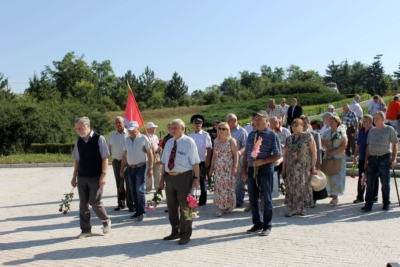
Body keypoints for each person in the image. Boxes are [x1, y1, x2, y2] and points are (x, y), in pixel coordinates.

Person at [159, 119, 200, 245]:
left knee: (186, 207)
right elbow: (165, 162)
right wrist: (162, 179)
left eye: (175, 128)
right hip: (170, 178)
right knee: (171, 207)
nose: (172, 130)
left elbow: (195, 162)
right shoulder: (169, 142)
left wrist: (196, 179)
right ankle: (175, 231)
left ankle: (185, 234)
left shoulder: (189, 142)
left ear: (183, 129)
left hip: (184, 177)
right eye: (171, 128)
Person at [242, 110, 282, 236]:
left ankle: (267, 225)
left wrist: (263, 161)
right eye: (255, 119)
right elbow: (246, 153)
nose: (256, 122)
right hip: (251, 169)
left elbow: (277, 155)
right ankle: (257, 223)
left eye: (259, 119)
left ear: (266, 121)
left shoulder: (272, 135)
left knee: (267, 199)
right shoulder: (251, 135)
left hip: (265, 170)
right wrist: (244, 170)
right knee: (253, 198)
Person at [71, 116, 111, 239]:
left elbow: (105, 157)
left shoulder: (99, 139)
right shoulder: (79, 141)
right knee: (83, 204)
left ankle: (106, 221)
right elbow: (77, 160)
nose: (78, 130)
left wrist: (103, 175)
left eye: (80, 128)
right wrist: (74, 176)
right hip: (82, 176)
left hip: (95, 176)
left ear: (87, 125)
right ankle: (86, 229)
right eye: (76, 129)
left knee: (95, 201)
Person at [362, 111, 398, 212]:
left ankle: (386, 203)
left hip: (384, 158)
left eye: (377, 118)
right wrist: (366, 160)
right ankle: (368, 204)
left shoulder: (389, 129)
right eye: (374, 118)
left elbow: (395, 144)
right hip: (372, 159)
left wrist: (394, 158)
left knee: (385, 183)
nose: (375, 120)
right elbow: (368, 146)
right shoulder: (371, 131)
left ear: (383, 119)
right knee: (369, 182)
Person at [281, 118, 317, 216]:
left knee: (302, 186)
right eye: (293, 125)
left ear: (302, 126)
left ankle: (302, 208)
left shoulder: (308, 136)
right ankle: (292, 208)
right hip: (291, 167)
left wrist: (313, 166)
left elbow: (314, 152)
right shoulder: (289, 138)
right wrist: (283, 169)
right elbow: (285, 155)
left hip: (303, 166)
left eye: (296, 125)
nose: (294, 127)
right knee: (291, 187)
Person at [120, 121, 153, 221]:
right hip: (130, 168)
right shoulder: (127, 140)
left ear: (138, 129)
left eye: (133, 131)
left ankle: (142, 212)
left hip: (141, 167)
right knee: (133, 191)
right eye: (129, 131)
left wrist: (150, 168)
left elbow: (150, 153)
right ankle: (138, 211)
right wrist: (121, 169)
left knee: (139, 189)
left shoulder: (143, 138)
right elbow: (125, 155)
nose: (131, 132)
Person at [209, 122, 238, 216]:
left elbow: (236, 155)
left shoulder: (231, 140)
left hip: (228, 168)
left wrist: (235, 167)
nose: (221, 131)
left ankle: (226, 206)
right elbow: (214, 156)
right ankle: (220, 207)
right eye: (219, 128)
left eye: (223, 129)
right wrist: (211, 168)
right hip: (218, 168)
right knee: (219, 188)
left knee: (227, 187)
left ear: (227, 130)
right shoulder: (216, 141)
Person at [108, 116, 134, 212]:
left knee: (129, 183)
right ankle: (121, 203)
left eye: (119, 122)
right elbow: (108, 150)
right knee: (119, 183)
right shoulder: (112, 135)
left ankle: (131, 204)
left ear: (124, 123)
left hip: (129, 162)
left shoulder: (129, 134)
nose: (118, 124)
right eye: (116, 123)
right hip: (116, 162)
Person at [321, 116, 348, 206]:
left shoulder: (341, 132)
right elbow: (321, 143)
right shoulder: (326, 132)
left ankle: (335, 197)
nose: (331, 122)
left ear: (337, 122)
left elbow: (344, 145)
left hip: (338, 157)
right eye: (330, 121)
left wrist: (334, 152)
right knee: (328, 175)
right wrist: (326, 143)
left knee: (337, 176)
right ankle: (331, 193)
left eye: (333, 121)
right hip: (328, 156)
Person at [353, 115, 379, 204]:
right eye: (363, 121)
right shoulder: (361, 131)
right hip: (362, 158)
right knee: (361, 177)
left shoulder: (374, 131)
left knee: (373, 178)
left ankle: (374, 196)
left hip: (372, 158)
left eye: (366, 121)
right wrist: (355, 155)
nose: (364, 123)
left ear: (371, 122)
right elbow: (358, 144)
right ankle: (360, 196)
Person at [300, 116, 325, 205]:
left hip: (311, 161)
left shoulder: (314, 134)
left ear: (308, 123)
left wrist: (318, 163)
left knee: (313, 181)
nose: (303, 125)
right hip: (300, 163)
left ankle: (313, 199)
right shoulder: (296, 134)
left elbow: (318, 149)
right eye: (301, 123)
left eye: (305, 123)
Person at [188, 115, 212, 206]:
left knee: (202, 181)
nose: (198, 124)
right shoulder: (190, 136)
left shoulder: (205, 135)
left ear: (202, 124)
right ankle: (192, 199)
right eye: (196, 123)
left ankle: (203, 200)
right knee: (192, 181)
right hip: (192, 162)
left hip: (202, 161)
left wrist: (208, 160)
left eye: (200, 123)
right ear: (193, 124)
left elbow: (209, 148)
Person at [227, 113, 248, 208]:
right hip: (227, 160)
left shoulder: (242, 131)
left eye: (228, 121)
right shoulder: (227, 131)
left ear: (234, 121)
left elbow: (246, 145)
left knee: (239, 181)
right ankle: (231, 200)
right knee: (230, 180)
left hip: (239, 160)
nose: (227, 123)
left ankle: (239, 200)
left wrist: (239, 152)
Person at [269, 116, 290, 184]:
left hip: (284, 157)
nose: (270, 125)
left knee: (286, 176)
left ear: (277, 122)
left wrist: (284, 146)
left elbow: (291, 144)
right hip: (274, 158)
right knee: (274, 177)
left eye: (271, 123)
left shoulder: (285, 131)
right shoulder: (269, 132)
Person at [145, 122, 162, 194]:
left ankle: (157, 187)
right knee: (148, 171)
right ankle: (148, 188)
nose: (155, 129)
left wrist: (159, 148)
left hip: (156, 155)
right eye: (153, 128)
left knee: (157, 172)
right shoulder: (145, 137)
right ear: (148, 129)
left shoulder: (155, 136)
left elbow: (157, 145)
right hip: (148, 155)